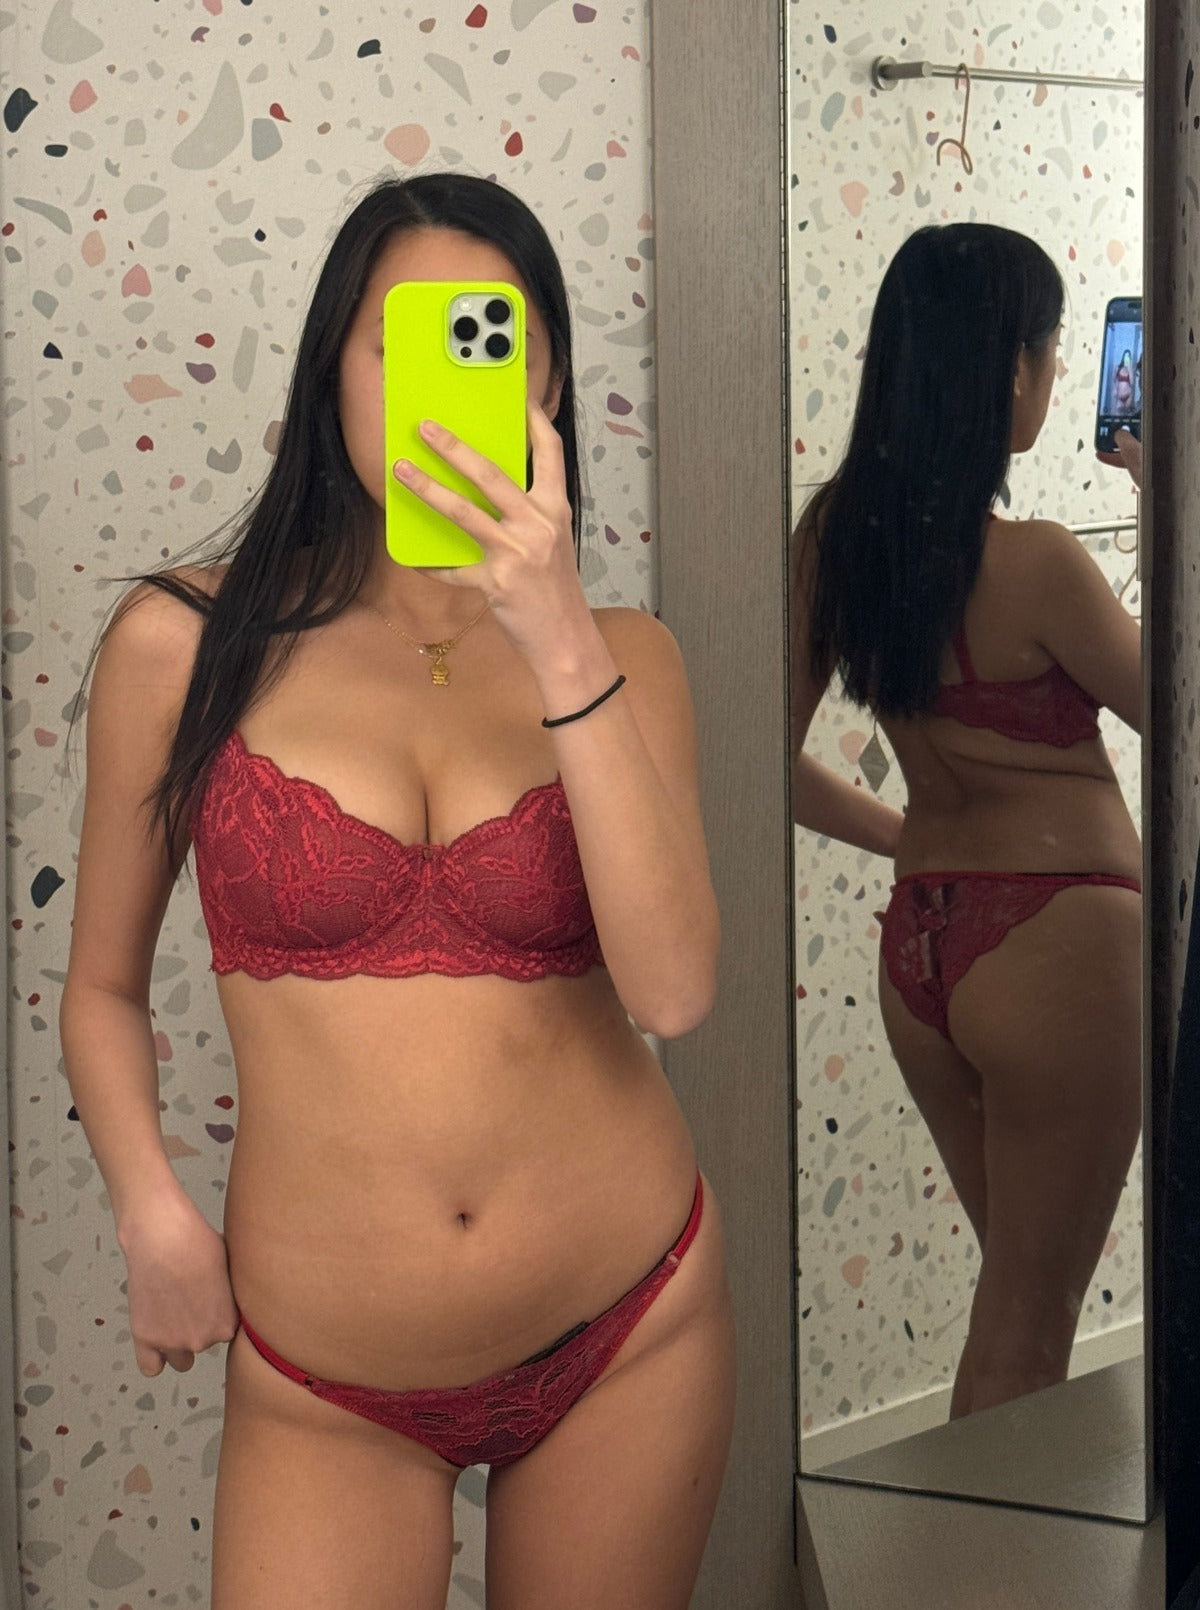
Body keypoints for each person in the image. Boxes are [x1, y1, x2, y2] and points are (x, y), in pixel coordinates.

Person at [59, 171, 735, 1610]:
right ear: (335, 369)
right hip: (328, 1377)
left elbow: (676, 989)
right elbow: (103, 986)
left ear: (546, 382)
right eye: (400, 341)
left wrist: (557, 633)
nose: (439, 386)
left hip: (629, 1318)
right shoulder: (182, 645)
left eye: (489, 339)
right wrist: (149, 1207)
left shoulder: (629, 654)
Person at [789, 222, 1142, 1420]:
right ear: (1009, 366)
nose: (1058, 370)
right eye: (1051, 345)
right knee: (1029, 1336)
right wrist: (1166, 508)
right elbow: (1183, 712)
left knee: (1013, 1306)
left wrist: (914, 843)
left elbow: (760, 762)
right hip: (1060, 943)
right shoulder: (1039, 563)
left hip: (924, 947)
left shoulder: (835, 541)